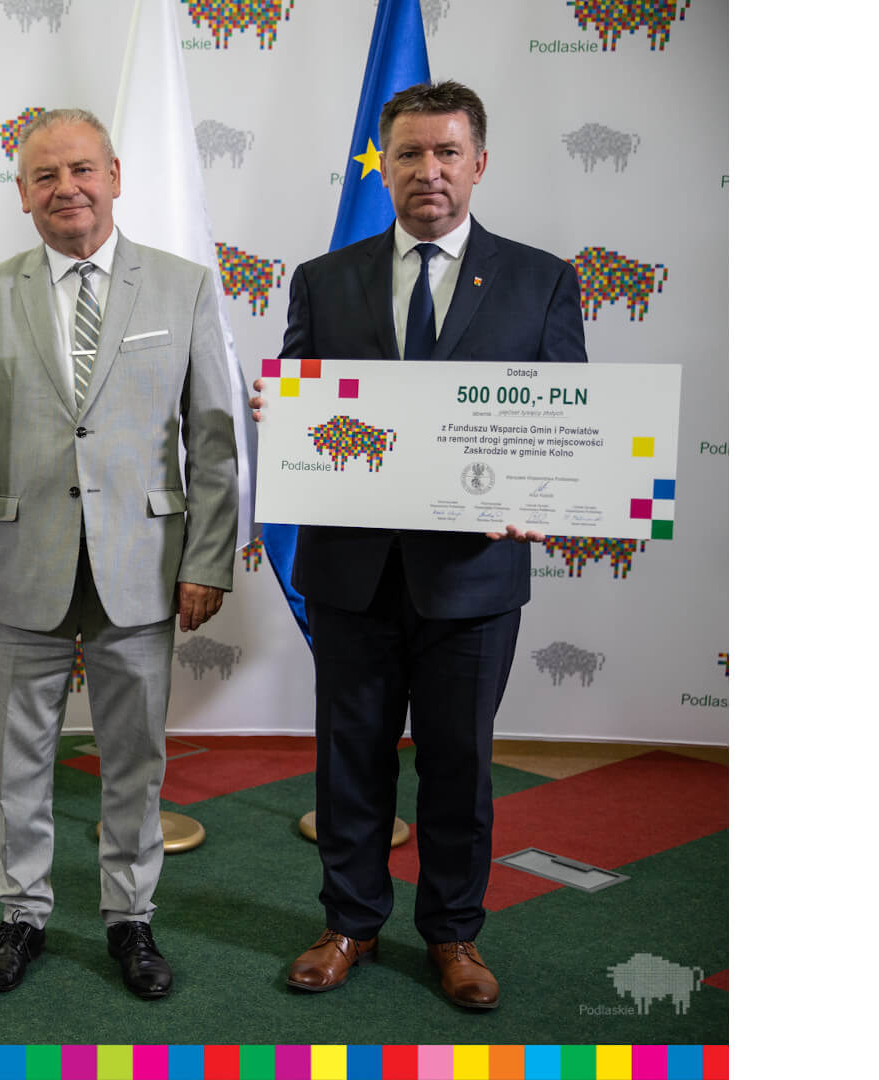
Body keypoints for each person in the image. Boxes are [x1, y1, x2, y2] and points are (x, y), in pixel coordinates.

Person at [257, 81, 586, 1010]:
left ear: (479, 163)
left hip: (475, 575)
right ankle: (349, 923)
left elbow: (568, 418)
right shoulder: (323, 278)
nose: (428, 171)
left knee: (459, 765)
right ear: (385, 167)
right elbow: (304, 413)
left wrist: (545, 492)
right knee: (349, 758)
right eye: (409, 153)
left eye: (447, 153)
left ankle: (453, 935)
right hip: (351, 571)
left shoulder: (540, 280)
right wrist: (284, 418)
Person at [0, 109, 240, 1000]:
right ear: (22, 194)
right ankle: (22, 915)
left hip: (144, 564)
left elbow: (214, 439)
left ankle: (130, 918)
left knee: (135, 759)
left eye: (81, 170)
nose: (66, 188)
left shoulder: (183, 287)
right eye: (45, 175)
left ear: (115, 176)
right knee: (18, 759)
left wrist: (207, 560)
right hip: (20, 563)